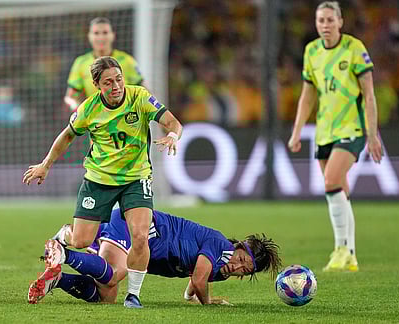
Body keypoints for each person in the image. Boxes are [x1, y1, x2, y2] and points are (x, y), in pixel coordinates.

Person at [23, 56, 183, 308]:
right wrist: (46, 164)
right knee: (81, 242)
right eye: (108, 82)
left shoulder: (139, 97)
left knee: (140, 237)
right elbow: (66, 137)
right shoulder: (88, 109)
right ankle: (64, 235)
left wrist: (173, 135)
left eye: (118, 79)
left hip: (136, 178)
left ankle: (133, 296)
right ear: (97, 85)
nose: (116, 86)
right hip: (99, 180)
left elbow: (172, 122)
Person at [287, 1, 383, 272]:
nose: (325, 26)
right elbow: (307, 96)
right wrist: (297, 131)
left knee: (331, 182)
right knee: (339, 191)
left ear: (340, 22)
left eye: (330, 20)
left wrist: (372, 134)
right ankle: (349, 254)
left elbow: (369, 95)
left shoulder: (355, 49)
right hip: (324, 131)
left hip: (351, 129)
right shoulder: (312, 51)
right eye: (320, 21)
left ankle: (341, 248)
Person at [27, 209, 282, 305]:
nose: (236, 266)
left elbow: (196, 280)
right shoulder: (219, 245)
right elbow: (200, 277)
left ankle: (56, 280)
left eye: (244, 270)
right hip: (143, 228)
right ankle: (66, 251)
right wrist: (207, 300)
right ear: (237, 246)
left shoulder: (221, 267)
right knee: (115, 275)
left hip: (139, 238)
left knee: (107, 295)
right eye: (240, 259)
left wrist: (190, 296)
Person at [64, 17, 146, 112]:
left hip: (123, 118)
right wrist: (79, 110)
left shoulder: (126, 61)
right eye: (96, 33)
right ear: (89, 36)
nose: (101, 37)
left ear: (113, 35)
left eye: (105, 33)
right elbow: (70, 97)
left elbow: (144, 92)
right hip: (95, 121)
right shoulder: (81, 63)